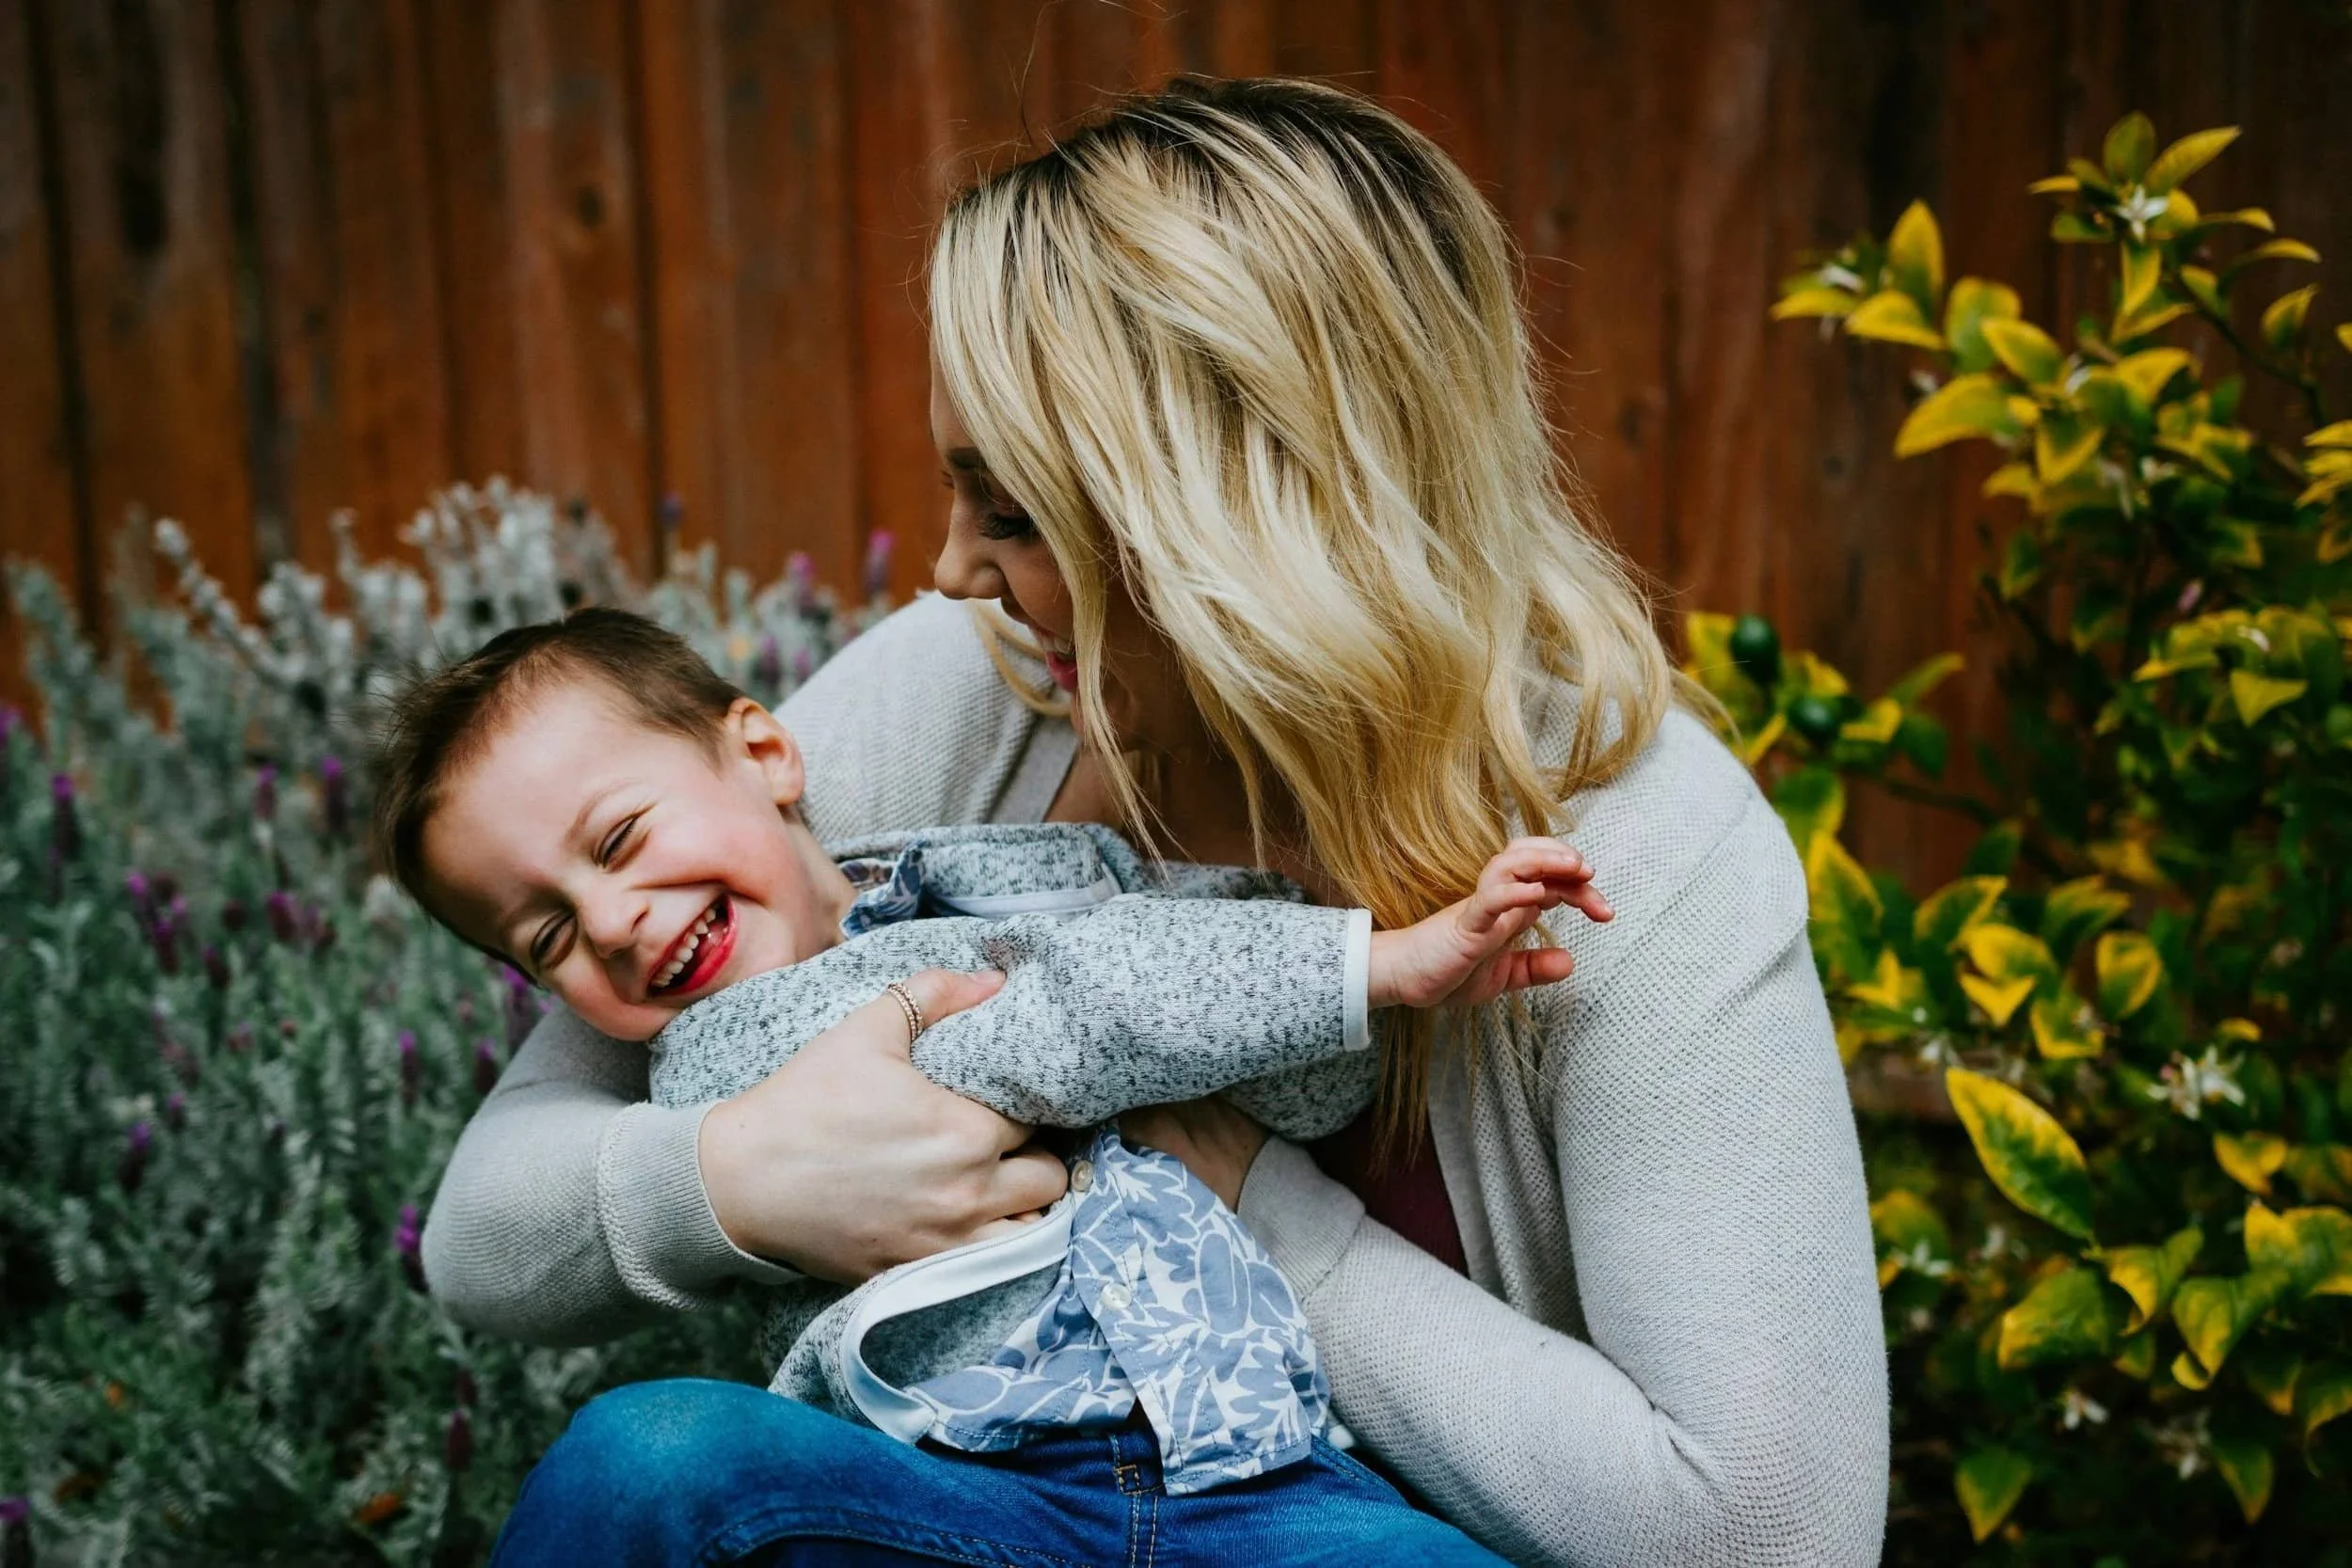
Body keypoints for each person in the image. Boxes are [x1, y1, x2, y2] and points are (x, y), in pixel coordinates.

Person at [426, 76, 1888, 1566]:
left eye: (1013, 516)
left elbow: (1769, 1531)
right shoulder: (971, 697)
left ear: (1235, 511)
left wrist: (1254, 1199)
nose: (951, 572)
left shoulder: (1632, 846)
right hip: (981, 1512)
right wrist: (736, 1180)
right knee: (649, 1468)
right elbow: (487, 1223)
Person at [373, 606, 1599, 1544]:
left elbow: (1290, 1089)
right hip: (989, 1489)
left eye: (622, 841)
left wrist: (1322, 1014)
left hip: (1246, 1457)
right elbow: (1061, 1019)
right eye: (547, 939)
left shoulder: (994, 876)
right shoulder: (725, 1052)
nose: (615, 923)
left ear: (764, 747)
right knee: (642, 1457)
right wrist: (1373, 966)